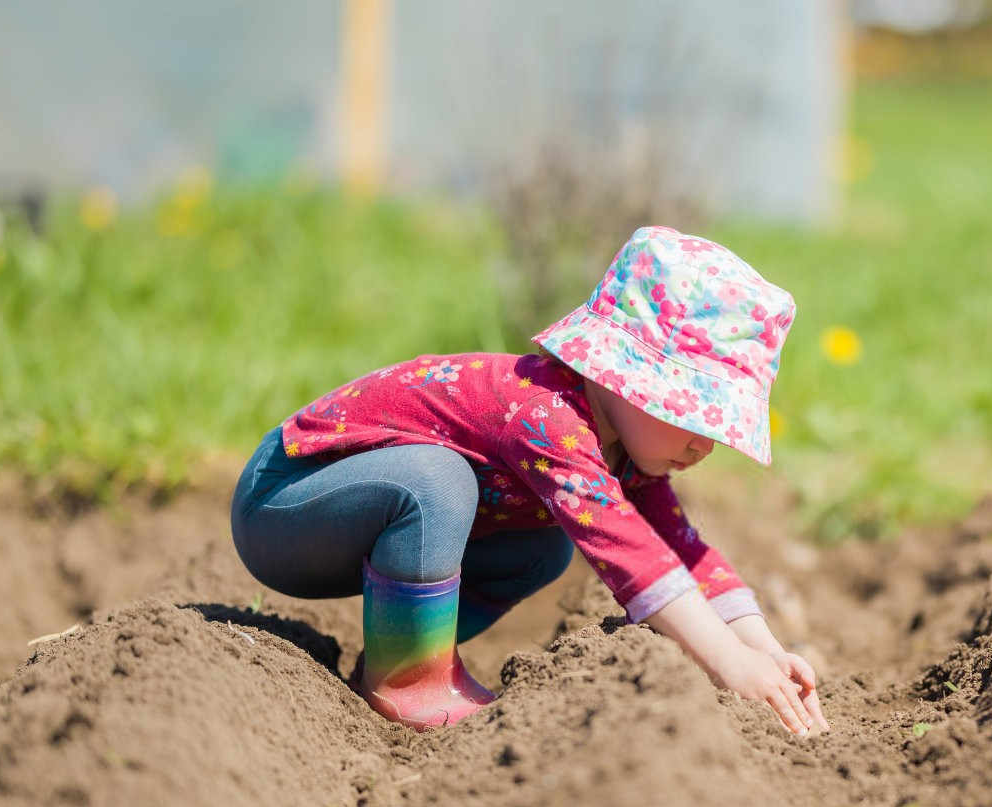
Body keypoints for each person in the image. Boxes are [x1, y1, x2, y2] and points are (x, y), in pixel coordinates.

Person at [229, 225, 827, 738]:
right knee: (439, 481)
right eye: (692, 414)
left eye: (716, 426)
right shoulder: (544, 416)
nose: (705, 443)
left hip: (345, 521)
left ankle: (400, 656)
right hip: (283, 501)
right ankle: (411, 681)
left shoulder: (620, 447)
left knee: (540, 545)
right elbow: (632, 558)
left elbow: (680, 553)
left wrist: (763, 651)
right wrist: (727, 664)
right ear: (625, 378)